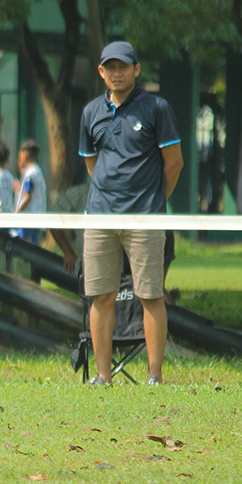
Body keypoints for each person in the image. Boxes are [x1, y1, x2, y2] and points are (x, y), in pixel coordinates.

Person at [79, 41, 183, 386]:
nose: (117, 73)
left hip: (145, 219)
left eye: (123, 66)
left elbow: (174, 164)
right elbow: (93, 165)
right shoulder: (91, 112)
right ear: (101, 72)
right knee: (100, 295)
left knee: (150, 294)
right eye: (110, 67)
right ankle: (103, 376)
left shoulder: (157, 108)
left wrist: (152, 201)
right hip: (100, 218)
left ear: (136, 69)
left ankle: (154, 375)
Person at [13, 139, 47, 244]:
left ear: (25, 155)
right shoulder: (38, 171)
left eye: (20, 155)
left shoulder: (30, 174)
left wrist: (17, 212)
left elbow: (28, 196)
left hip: (27, 217)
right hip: (36, 215)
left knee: (25, 246)